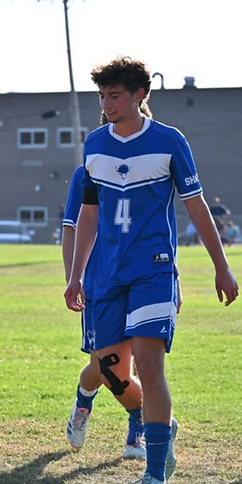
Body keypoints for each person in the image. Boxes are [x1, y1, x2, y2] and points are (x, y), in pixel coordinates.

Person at [64, 56, 239, 484]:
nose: (107, 104)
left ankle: (155, 474)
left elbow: (197, 206)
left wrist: (221, 266)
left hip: (154, 270)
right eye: (102, 96)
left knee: (150, 362)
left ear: (140, 95)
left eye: (115, 95)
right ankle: (162, 424)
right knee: (111, 372)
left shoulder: (169, 141)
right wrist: (75, 275)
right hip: (105, 277)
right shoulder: (94, 145)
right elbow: (89, 213)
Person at [61, 165, 147, 461]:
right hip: (99, 284)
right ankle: (84, 404)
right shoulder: (87, 171)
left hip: (142, 280)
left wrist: (171, 275)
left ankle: (139, 429)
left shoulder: (149, 169)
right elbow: (71, 226)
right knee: (104, 368)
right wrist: (74, 277)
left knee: (137, 360)